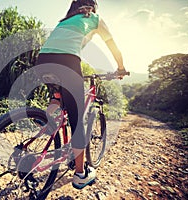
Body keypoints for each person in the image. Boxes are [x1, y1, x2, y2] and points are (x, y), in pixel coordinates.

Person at [36, 0, 127, 189]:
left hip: (42, 60)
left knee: (57, 96)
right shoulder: (94, 18)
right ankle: (80, 174)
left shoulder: (65, 21)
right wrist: (120, 68)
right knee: (78, 123)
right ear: (93, 6)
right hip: (67, 62)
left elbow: (62, 45)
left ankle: (42, 126)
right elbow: (113, 46)